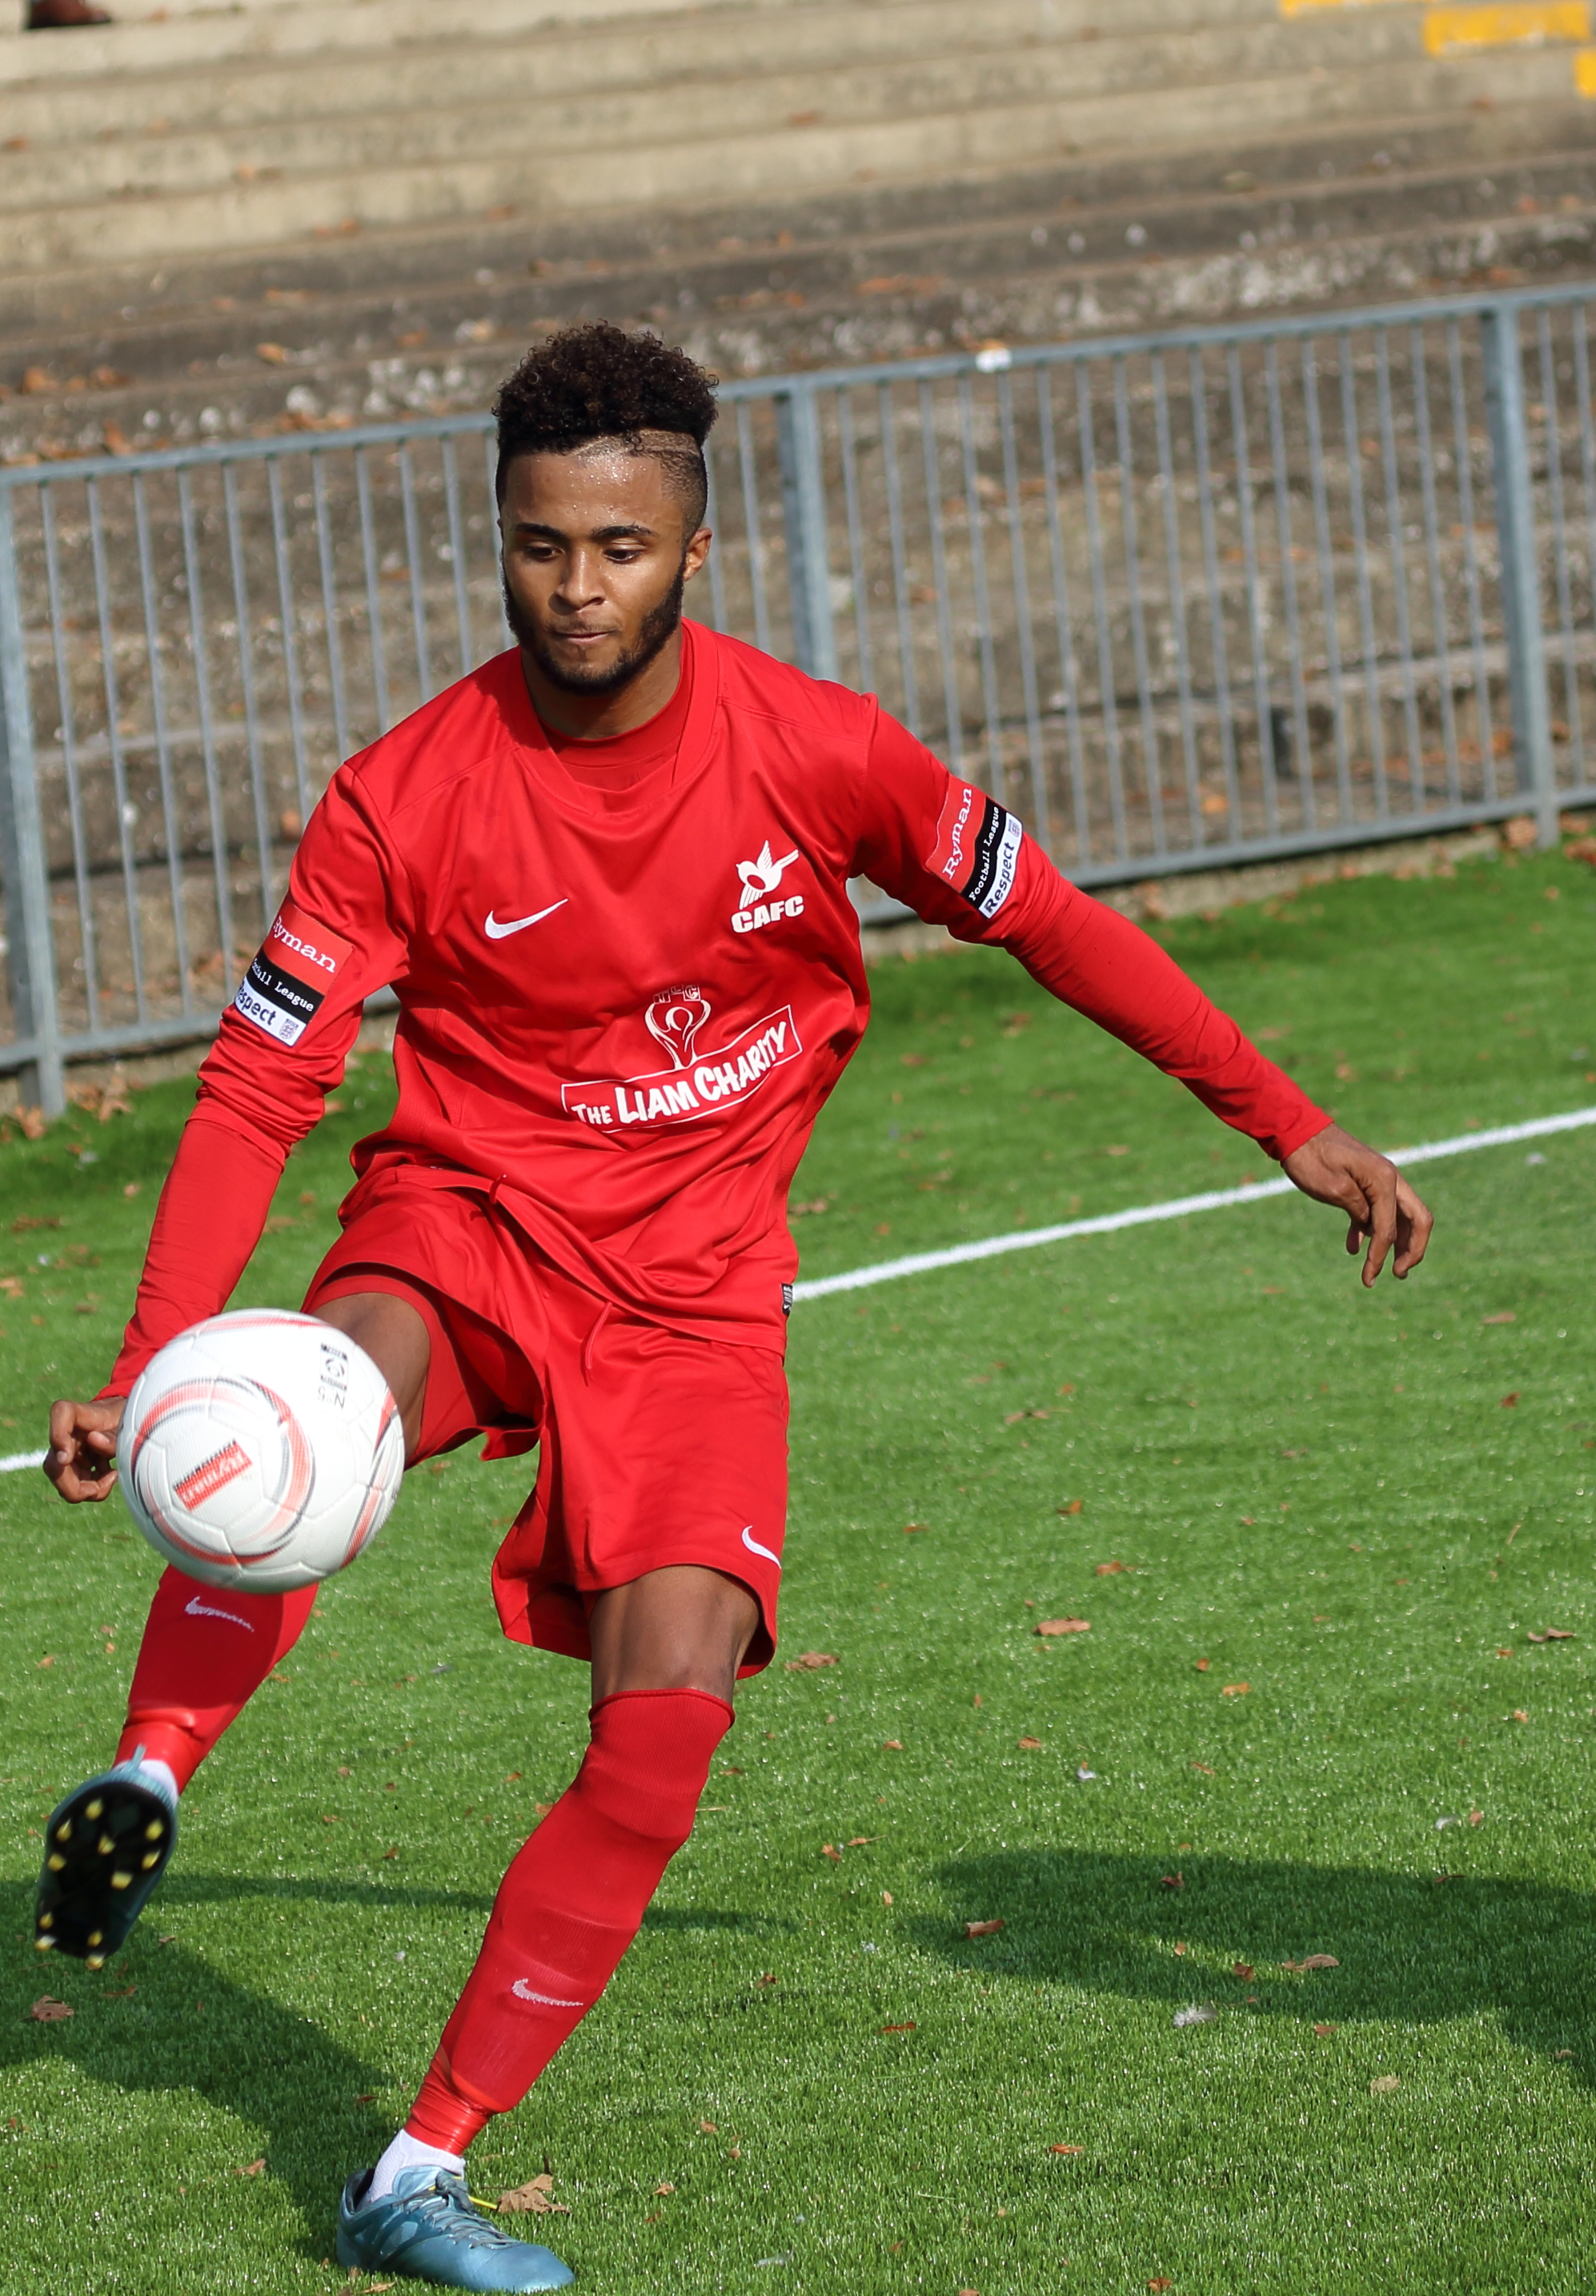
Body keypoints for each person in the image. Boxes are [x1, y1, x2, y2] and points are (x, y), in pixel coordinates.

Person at [35, 323, 1432, 2294]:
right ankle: (153, 1768)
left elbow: (1050, 922)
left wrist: (1280, 1122)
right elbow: (265, 1080)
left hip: (695, 1303)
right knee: (305, 1396)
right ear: (499, 541)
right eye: (538, 547)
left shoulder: (824, 750)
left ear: (697, 543)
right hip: (474, 1222)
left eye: (616, 546)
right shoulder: (403, 793)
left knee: (666, 1724)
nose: (575, 586)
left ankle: (410, 2174)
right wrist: (147, 1360)